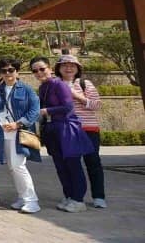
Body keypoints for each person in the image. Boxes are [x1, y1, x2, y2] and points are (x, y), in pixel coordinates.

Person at [30, 56, 94, 213]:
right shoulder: (43, 87)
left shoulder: (60, 85)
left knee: (73, 165)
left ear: (50, 68)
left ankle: (78, 199)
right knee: (60, 166)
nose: (39, 73)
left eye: (42, 69)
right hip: (52, 129)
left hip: (66, 128)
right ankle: (69, 196)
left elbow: (67, 107)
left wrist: (47, 111)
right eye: (35, 71)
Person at [0, 57, 41, 214]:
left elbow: (35, 110)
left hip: (19, 133)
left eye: (11, 70)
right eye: (3, 71)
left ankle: (32, 201)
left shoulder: (26, 89)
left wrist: (18, 124)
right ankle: (22, 197)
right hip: (3, 133)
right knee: (12, 167)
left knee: (19, 166)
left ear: (17, 71)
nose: (7, 73)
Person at [54, 54, 106, 208]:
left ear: (78, 68)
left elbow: (96, 105)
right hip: (68, 129)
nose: (68, 68)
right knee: (71, 164)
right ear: (59, 69)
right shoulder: (56, 84)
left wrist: (77, 96)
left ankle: (99, 196)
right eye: (65, 65)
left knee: (93, 162)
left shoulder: (85, 83)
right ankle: (73, 196)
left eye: (72, 65)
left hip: (88, 128)